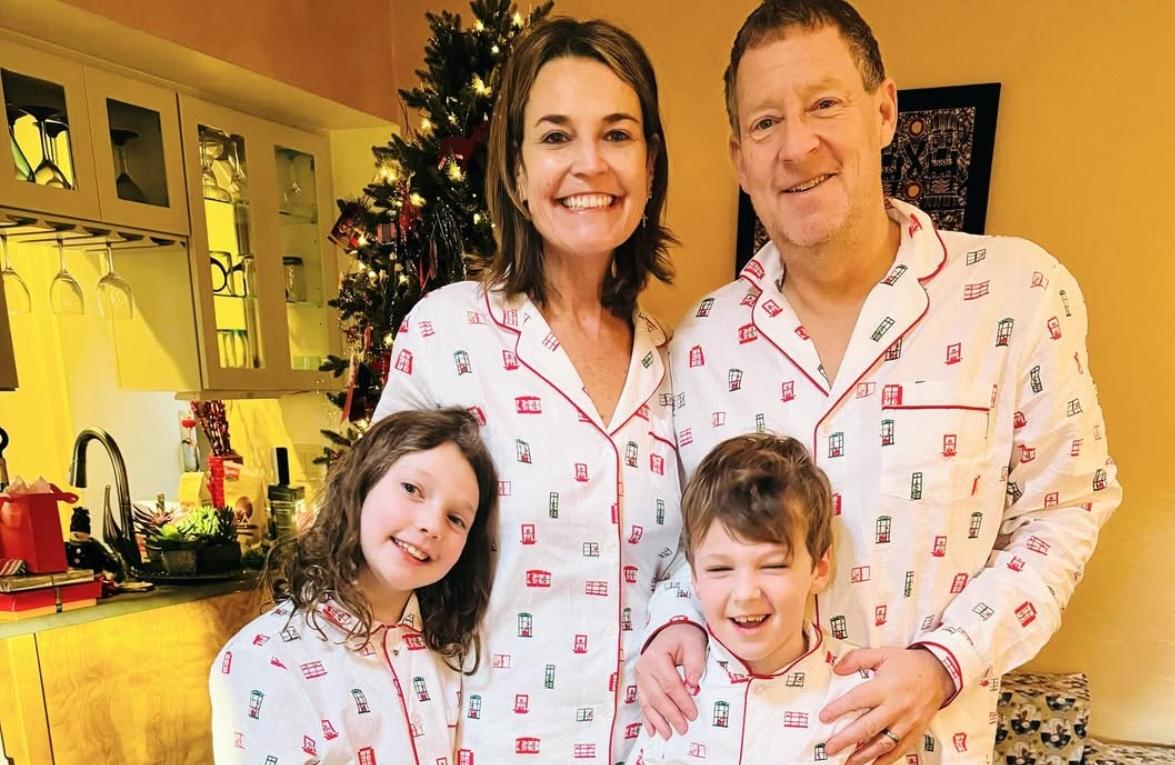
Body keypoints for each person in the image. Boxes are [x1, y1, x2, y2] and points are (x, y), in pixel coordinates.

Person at [637, 2, 1122, 763]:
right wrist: (673, 620)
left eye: (824, 104)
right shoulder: (700, 341)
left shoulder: (1019, 296)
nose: (797, 145)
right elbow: (678, 542)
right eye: (766, 123)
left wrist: (943, 662)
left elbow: (1065, 512)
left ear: (885, 110)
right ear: (739, 156)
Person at [371, 17, 682, 763]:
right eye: (554, 136)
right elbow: (372, 569)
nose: (589, 164)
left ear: (649, 162)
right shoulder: (447, 335)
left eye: (616, 134)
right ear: (514, 170)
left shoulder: (675, 362)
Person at [209, 408, 497, 764]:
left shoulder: (450, 649)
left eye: (456, 519)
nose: (431, 525)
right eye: (412, 489)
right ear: (362, 483)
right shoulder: (264, 660)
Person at [632, 433, 872, 764]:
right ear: (695, 578)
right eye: (719, 569)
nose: (746, 593)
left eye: (773, 565)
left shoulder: (857, 696)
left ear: (819, 567)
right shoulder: (673, 690)